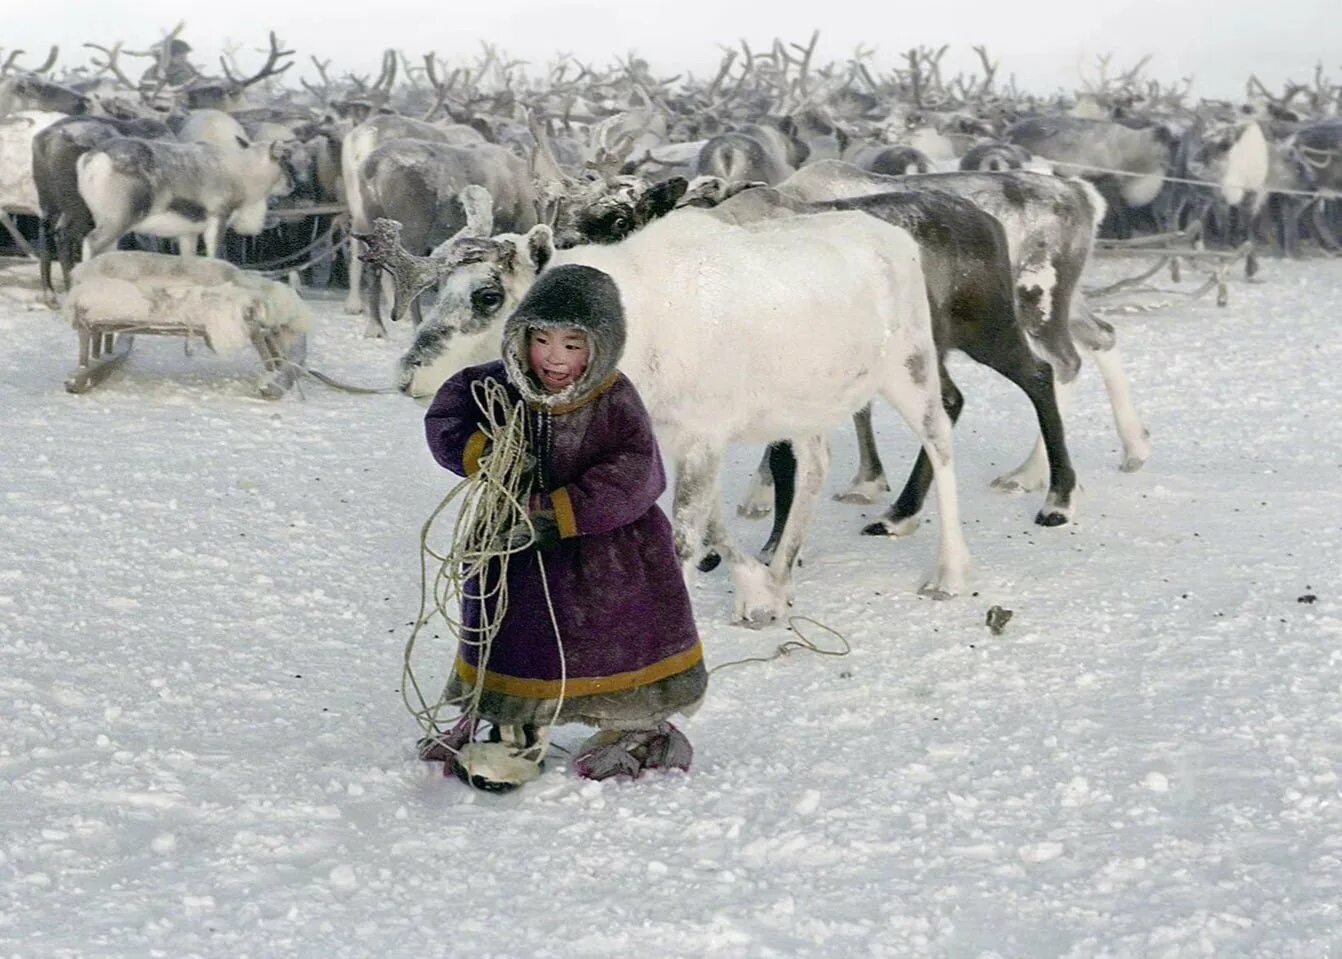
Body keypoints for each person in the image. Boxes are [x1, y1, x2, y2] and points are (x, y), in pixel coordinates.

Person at [419, 264, 707, 791]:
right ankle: (512, 733)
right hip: (514, 548)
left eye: (574, 344)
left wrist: (557, 511)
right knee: (515, 635)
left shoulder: (616, 399)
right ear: (520, 337)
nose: (555, 358)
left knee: (617, 639)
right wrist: (485, 454)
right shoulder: (496, 383)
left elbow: (636, 471)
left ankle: (635, 727)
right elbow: (447, 415)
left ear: (601, 346)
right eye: (542, 340)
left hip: (611, 553)